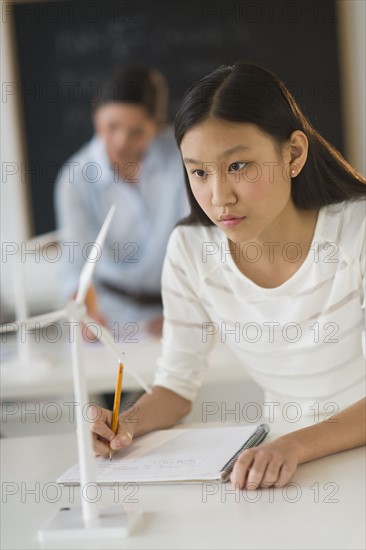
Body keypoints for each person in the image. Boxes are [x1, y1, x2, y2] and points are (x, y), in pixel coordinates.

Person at [89, 62, 366, 490]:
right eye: (199, 172)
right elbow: (176, 387)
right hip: (282, 465)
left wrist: (292, 447)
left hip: (318, 454)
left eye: (237, 166)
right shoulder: (191, 251)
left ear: (293, 153)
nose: (219, 197)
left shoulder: (357, 231)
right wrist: (124, 424)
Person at [54, 65, 189, 339]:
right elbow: (75, 263)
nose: (121, 141)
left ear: (155, 124)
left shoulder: (182, 158)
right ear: (96, 118)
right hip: (111, 318)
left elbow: (200, 241)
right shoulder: (75, 178)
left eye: (137, 131)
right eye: (111, 126)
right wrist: (85, 314)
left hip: (180, 312)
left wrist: (186, 311)